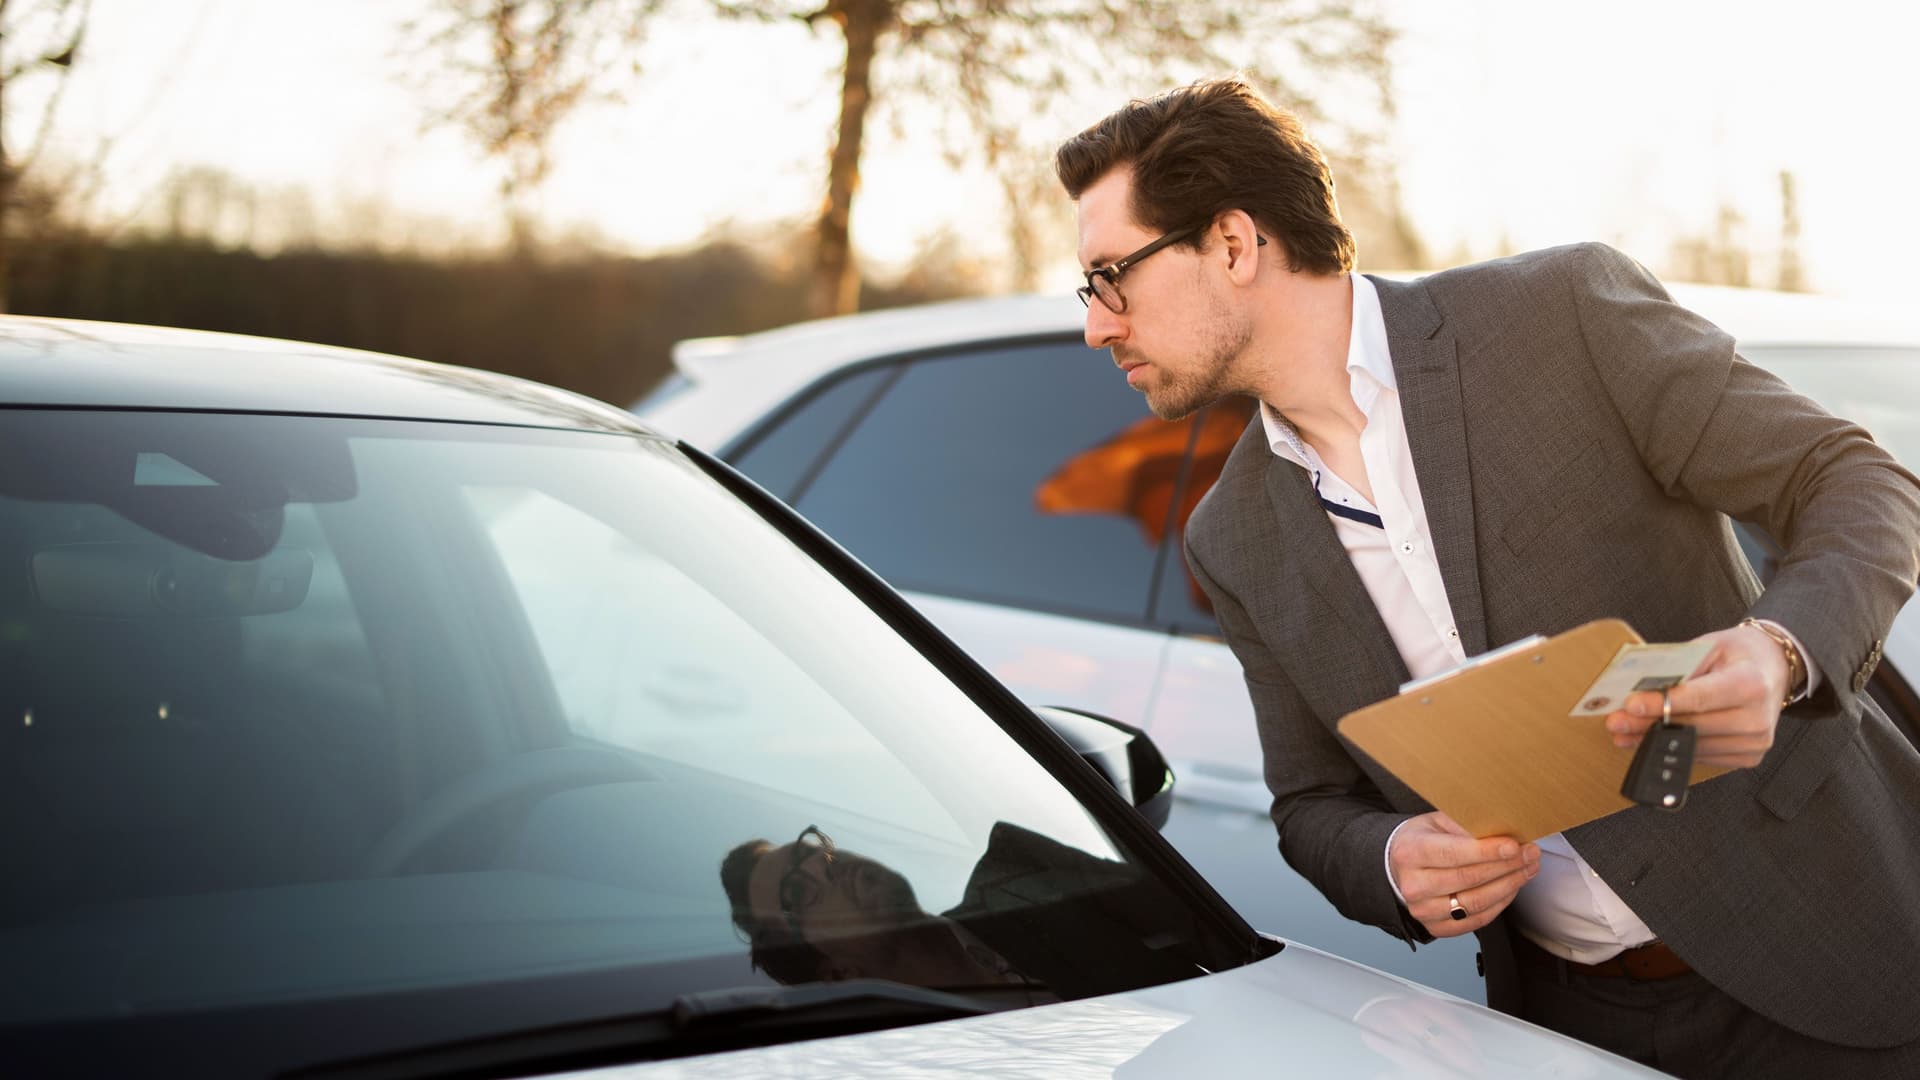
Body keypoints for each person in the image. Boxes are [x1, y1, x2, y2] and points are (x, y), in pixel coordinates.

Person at [1053, 77, 1920, 1077]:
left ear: (1236, 244)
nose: (1098, 324)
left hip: (1839, 955)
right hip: (1564, 1024)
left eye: (1111, 276)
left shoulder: (1559, 315)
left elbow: (1852, 479)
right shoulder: (1232, 534)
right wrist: (1388, 864)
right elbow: (1309, 807)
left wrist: (1779, 652)